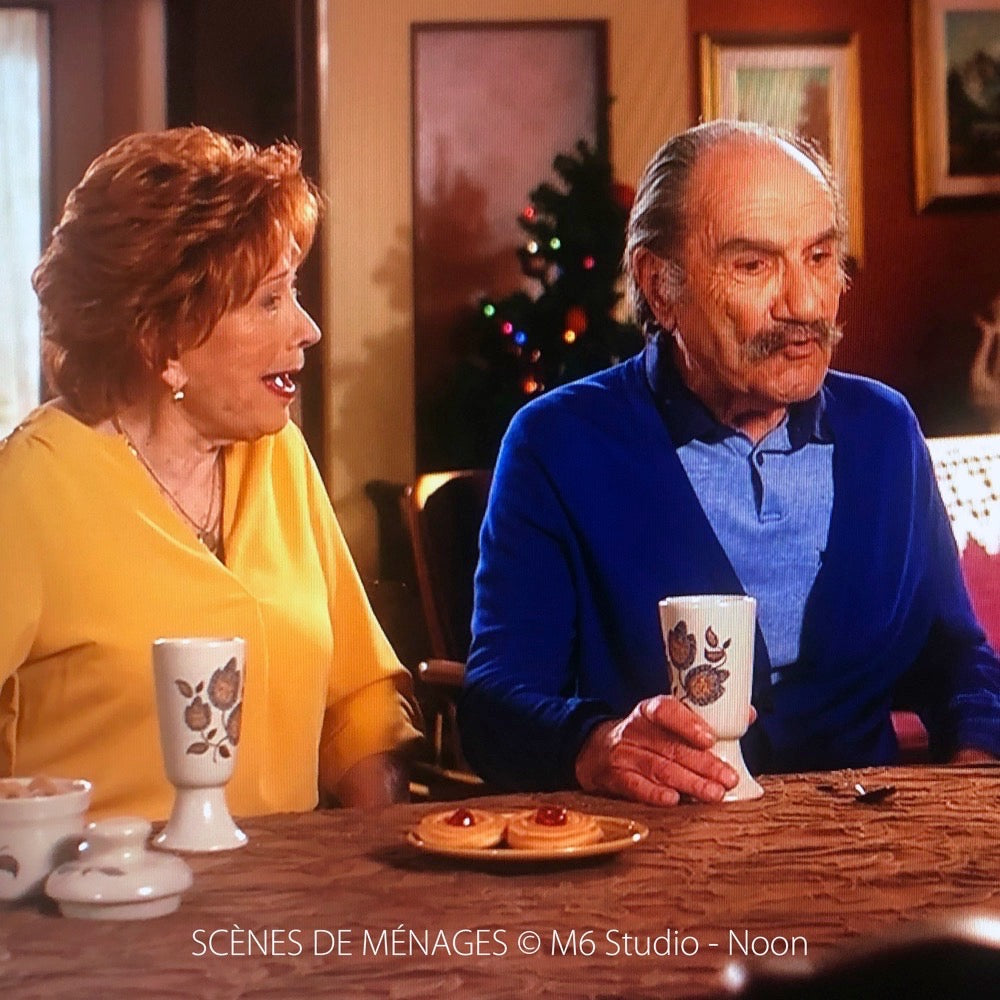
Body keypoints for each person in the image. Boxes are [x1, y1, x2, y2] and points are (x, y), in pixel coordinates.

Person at [458, 120, 1000, 806]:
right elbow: (497, 706)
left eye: (820, 256)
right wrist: (595, 746)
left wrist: (967, 783)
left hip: (867, 860)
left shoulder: (883, 431)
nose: (804, 304)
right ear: (660, 287)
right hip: (659, 863)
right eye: (754, 264)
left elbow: (955, 660)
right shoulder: (559, 444)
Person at [0, 126, 422, 820]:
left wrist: (368, 865)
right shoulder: (33, 488)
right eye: (269, 300)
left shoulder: (277, 456)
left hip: (273, 917)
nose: (307, 328)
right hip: (95, 915)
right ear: (162, 340)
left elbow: (360, 699)